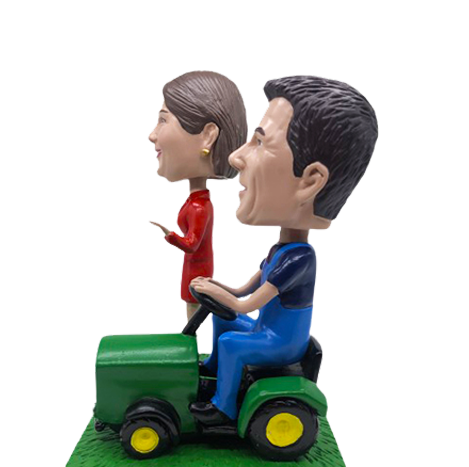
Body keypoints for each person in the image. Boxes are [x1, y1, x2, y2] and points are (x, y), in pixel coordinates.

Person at [190, 75, 378, 425]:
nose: (236, 156)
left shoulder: (298, 259)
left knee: (231, 344)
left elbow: (246, 305)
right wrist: (213, 287)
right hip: (266, 329)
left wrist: (215, 293)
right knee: (221, 319)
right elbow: (241, 293)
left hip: (281, 341)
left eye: (260, 143)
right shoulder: (281, 249)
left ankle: (223, 406)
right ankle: (213, 375)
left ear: (310, 181)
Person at [149, 71, 247, 321]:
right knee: (191, 303)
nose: (152, 135)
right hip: (194, 266)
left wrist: (168, 233)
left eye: (163, 120)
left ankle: (193, 338)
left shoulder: (200, 206)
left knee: (194, 302)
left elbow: (192, 243)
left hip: (197, 269)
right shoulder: (197, 202)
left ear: (208, 136)